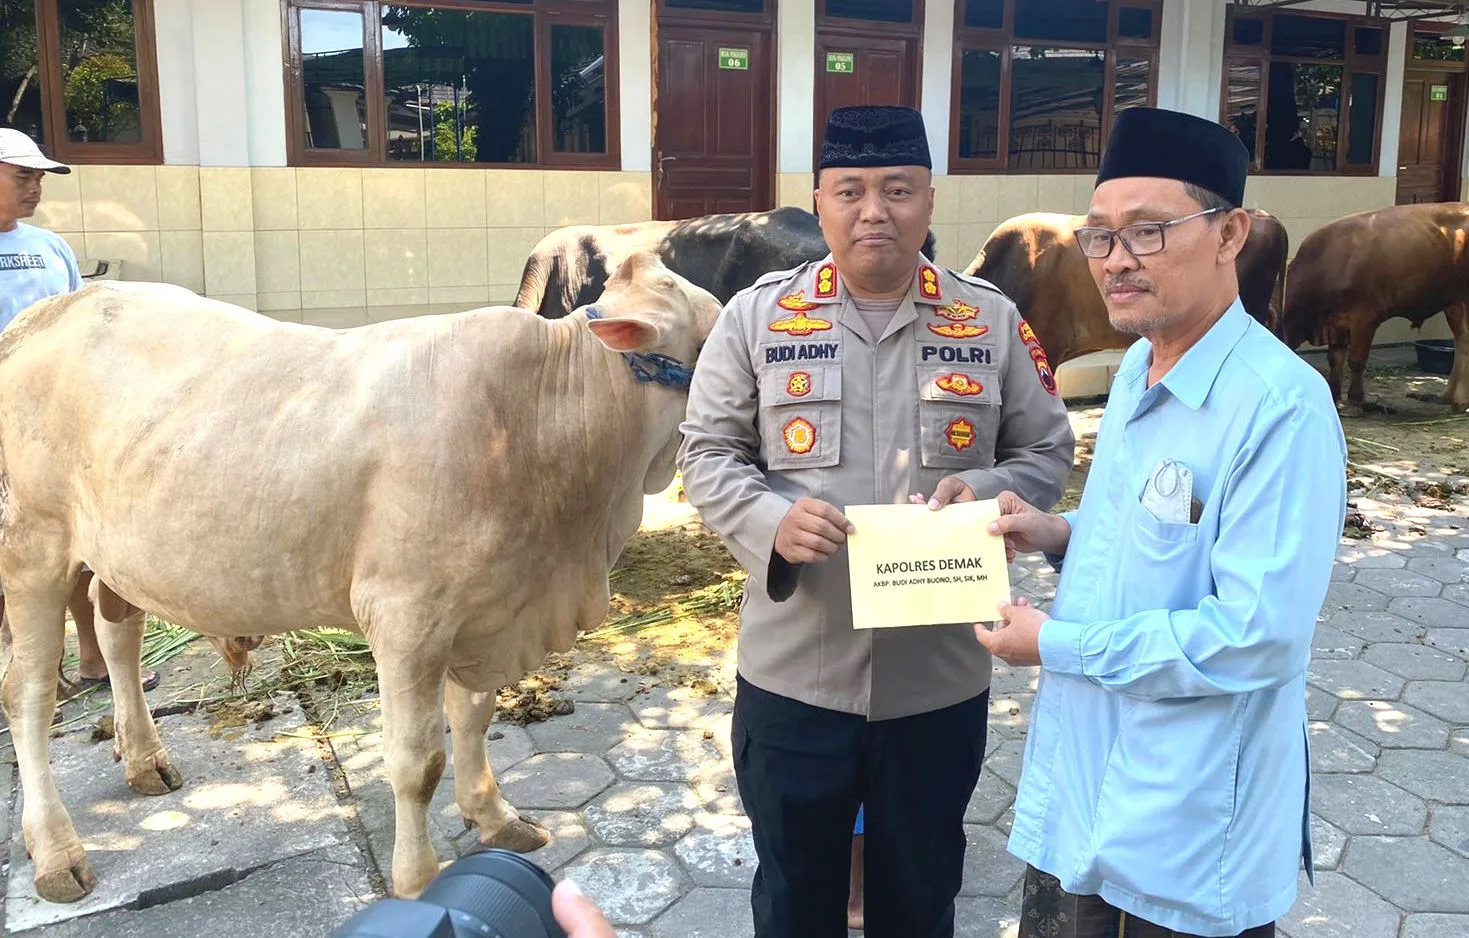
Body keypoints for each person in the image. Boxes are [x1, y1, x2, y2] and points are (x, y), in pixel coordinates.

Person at [677, 105, 1074, 938]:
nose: (873, 211)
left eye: (897, 190)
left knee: (919, 899)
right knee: (793, 902)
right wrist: (769, 522)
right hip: (795, 677)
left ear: (930, 200)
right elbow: (705, 453)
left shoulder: (989, 319)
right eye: (850, 191)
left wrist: (991, 487)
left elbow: (1047, 450)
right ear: (817, 201)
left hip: (935, 682)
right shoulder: (757, 317)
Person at [976, 106, 1346, 938]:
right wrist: (1055, 532)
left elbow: (1258, 636)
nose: (1116, 261)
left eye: (1148, 232)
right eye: (1099, 237)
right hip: (1094, 783)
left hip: (1192, 822)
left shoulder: (1279, 408)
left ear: (1229, 234)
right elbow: (1156, 529)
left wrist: (1054, 645)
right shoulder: (1143, 359)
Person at [0, 127, 159, 692]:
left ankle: (93, 659)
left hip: (57, 426)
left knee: (75, 547)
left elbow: (79, 333)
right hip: (4, 420)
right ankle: (25, 673)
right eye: (23, 176)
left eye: (38, 177)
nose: (34, 188)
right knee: (15, 555)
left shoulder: (49, 248)